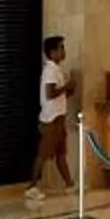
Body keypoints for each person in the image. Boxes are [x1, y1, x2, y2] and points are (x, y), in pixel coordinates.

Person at [26, 36, 73, 206]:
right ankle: (32, 186)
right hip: (51, 119)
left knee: (61, 154)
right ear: (53, 52)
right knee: (43, 154)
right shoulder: (50, 71)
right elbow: (49, 93)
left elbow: (58, 94)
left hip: (59, 118)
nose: (64, 51)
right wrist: (67, 87)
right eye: (61, 48)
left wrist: (68, 90)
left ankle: (70, 184)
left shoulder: (57, 70)